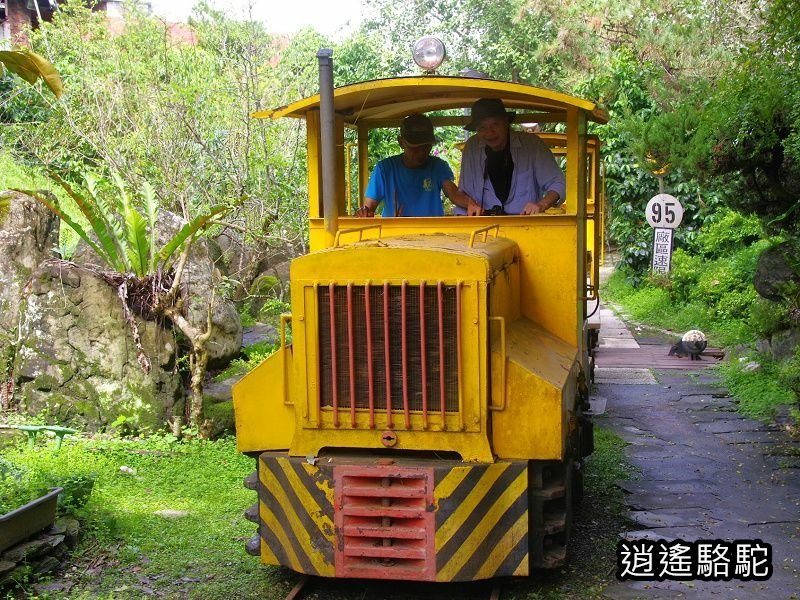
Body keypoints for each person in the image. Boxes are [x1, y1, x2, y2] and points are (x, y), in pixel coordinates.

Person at [453, 98, 566, 216]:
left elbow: (557, 183)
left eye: (495, 125)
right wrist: (469, 205)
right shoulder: (472, 147)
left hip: (524, 224)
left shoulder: (532, 144)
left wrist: (541, 205)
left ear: (506, 122)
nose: (489, 133)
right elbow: (464, 192)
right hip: (482, 225)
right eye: (482, 128)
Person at [356, 113, 469, 217]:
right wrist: (364, 213)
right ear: (401, 142)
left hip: (434, 235)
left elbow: (454, 194)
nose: (421, 152)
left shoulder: (438, 166)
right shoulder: (385, 169)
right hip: (393, 235)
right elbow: (369, 207)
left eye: (426, 147)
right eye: (415, 148)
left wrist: (471, 204)